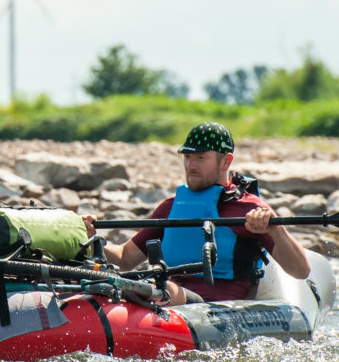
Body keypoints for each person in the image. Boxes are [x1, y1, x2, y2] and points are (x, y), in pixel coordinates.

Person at [82, 121, 310, 304]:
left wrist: (276, 230)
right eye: (188, 157)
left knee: (164, 288)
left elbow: (301, 271)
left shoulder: (250, 210)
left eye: (200, 158)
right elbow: (126, 258)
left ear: (225, 161)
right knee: (125, 282)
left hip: (219, 309)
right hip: (170, 301)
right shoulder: (171, 207)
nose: (190, 165)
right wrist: (89, 238)